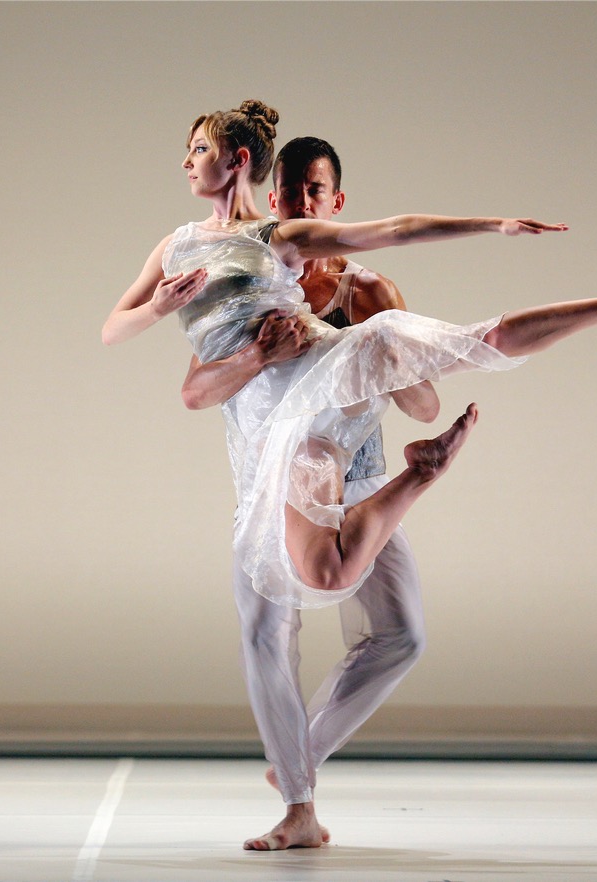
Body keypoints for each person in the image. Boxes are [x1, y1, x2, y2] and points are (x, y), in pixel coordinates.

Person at [102, 98, 597, 615]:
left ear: (235, 160)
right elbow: (113, 329)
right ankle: (423, 469)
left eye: (198, 148)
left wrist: (493, 225)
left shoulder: (279, 236)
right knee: (327, 575)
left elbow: (393, 230)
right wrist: (156, 308)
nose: (185, 161)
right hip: (285, 423)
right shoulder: (175, 246)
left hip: (330, 365)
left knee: (482, 341)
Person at [180, 135, 440, 851]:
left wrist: (384, 347)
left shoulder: (371, 291)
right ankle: (300, 806)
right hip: (272, 496)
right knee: (266, 634)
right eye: (288, 194)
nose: (299, 206)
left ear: (337, 204)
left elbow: (423, 407)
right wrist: (260, 350)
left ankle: (299, 756)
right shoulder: (246, 286)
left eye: (313, 194)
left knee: (403, 635)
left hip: (356, 491)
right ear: (273, 203)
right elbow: (195, 392)